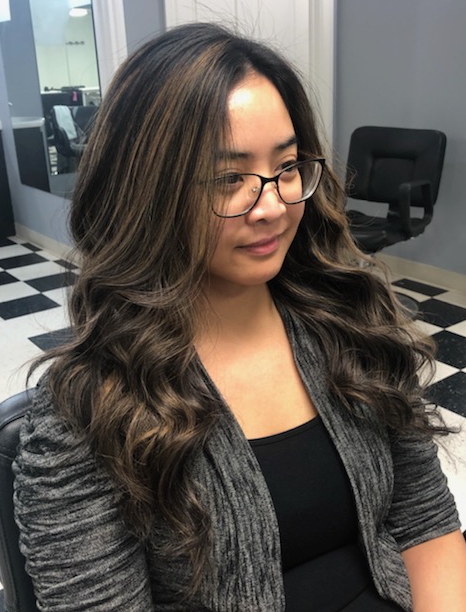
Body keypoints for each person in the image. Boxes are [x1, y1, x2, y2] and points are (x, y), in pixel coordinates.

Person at [13, 22, 466, 612]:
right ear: (146, 191)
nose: (272, 206)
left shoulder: (347, 324)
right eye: (229, 179)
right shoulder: (89, 407)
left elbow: (424, 521)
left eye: (287, 166)